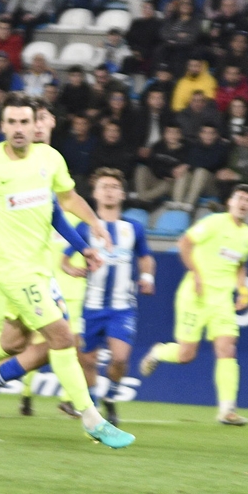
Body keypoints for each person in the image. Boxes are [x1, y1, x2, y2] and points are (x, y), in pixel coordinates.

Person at [0, 93, 132, 448]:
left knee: (12, 342)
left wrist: (92, 226)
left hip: (40, 269)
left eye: (25, 122)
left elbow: (65, 200)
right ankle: (92, 419)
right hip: (13, 272)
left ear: (35, 124)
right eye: (12, 123)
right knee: (63, 339)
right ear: (2, 126)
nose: (19, 129)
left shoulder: (49, 158)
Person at [139, 185, 248, 426]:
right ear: (230, 202)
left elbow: (240, 264)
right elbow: (185, 242)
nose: (244, 203)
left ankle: (227, 410)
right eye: (240, 198)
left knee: (227, 348)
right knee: (186, 355)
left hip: (222, 301)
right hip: (195, 296)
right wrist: (195, 273)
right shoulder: (215, 223)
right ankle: (158, 352)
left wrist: (243, 289)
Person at [68, 168, 154, 427]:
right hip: (92, 306)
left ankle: (111, 396)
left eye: (114, 186)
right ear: (94, 193)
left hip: (122, 307)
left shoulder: (133, 228)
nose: (109, 190)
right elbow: (63, 257)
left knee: (120, 358)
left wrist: (147, 277)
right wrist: (72, 269)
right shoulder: (84, 227)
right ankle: (93, 408)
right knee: (87, 360)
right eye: (104, 185)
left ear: (122, 194)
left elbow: (145, 256)